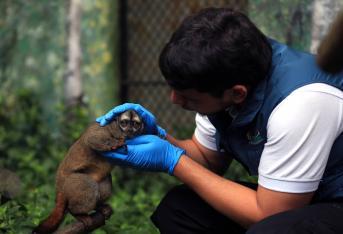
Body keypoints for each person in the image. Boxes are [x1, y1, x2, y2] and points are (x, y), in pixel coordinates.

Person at [96, 8, 343, 233]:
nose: (174, 100)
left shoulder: (300, 103)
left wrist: (173, 161)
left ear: (237, 92)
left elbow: (269, 214)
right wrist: (159, 137)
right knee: (179, 208)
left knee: (271, 230)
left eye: (187, 96)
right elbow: (206, 160)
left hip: (334, 203)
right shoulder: (229, 71)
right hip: (305, 199)